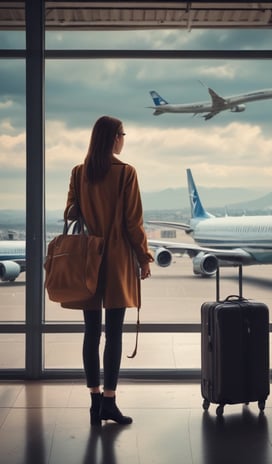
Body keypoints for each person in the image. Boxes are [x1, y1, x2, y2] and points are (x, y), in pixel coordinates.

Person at [64, 115, 153, 426]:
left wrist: (87, 200)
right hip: (116, 261)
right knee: (114, 334)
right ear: (115, 138)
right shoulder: (126, 173)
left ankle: (93, 401)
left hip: (87, 259)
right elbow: (133, 223)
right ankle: (109, 403)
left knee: (91, 333)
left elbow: (70, 211)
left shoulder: (78, 172)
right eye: (123, 134)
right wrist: (144, 257)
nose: (123, 139)